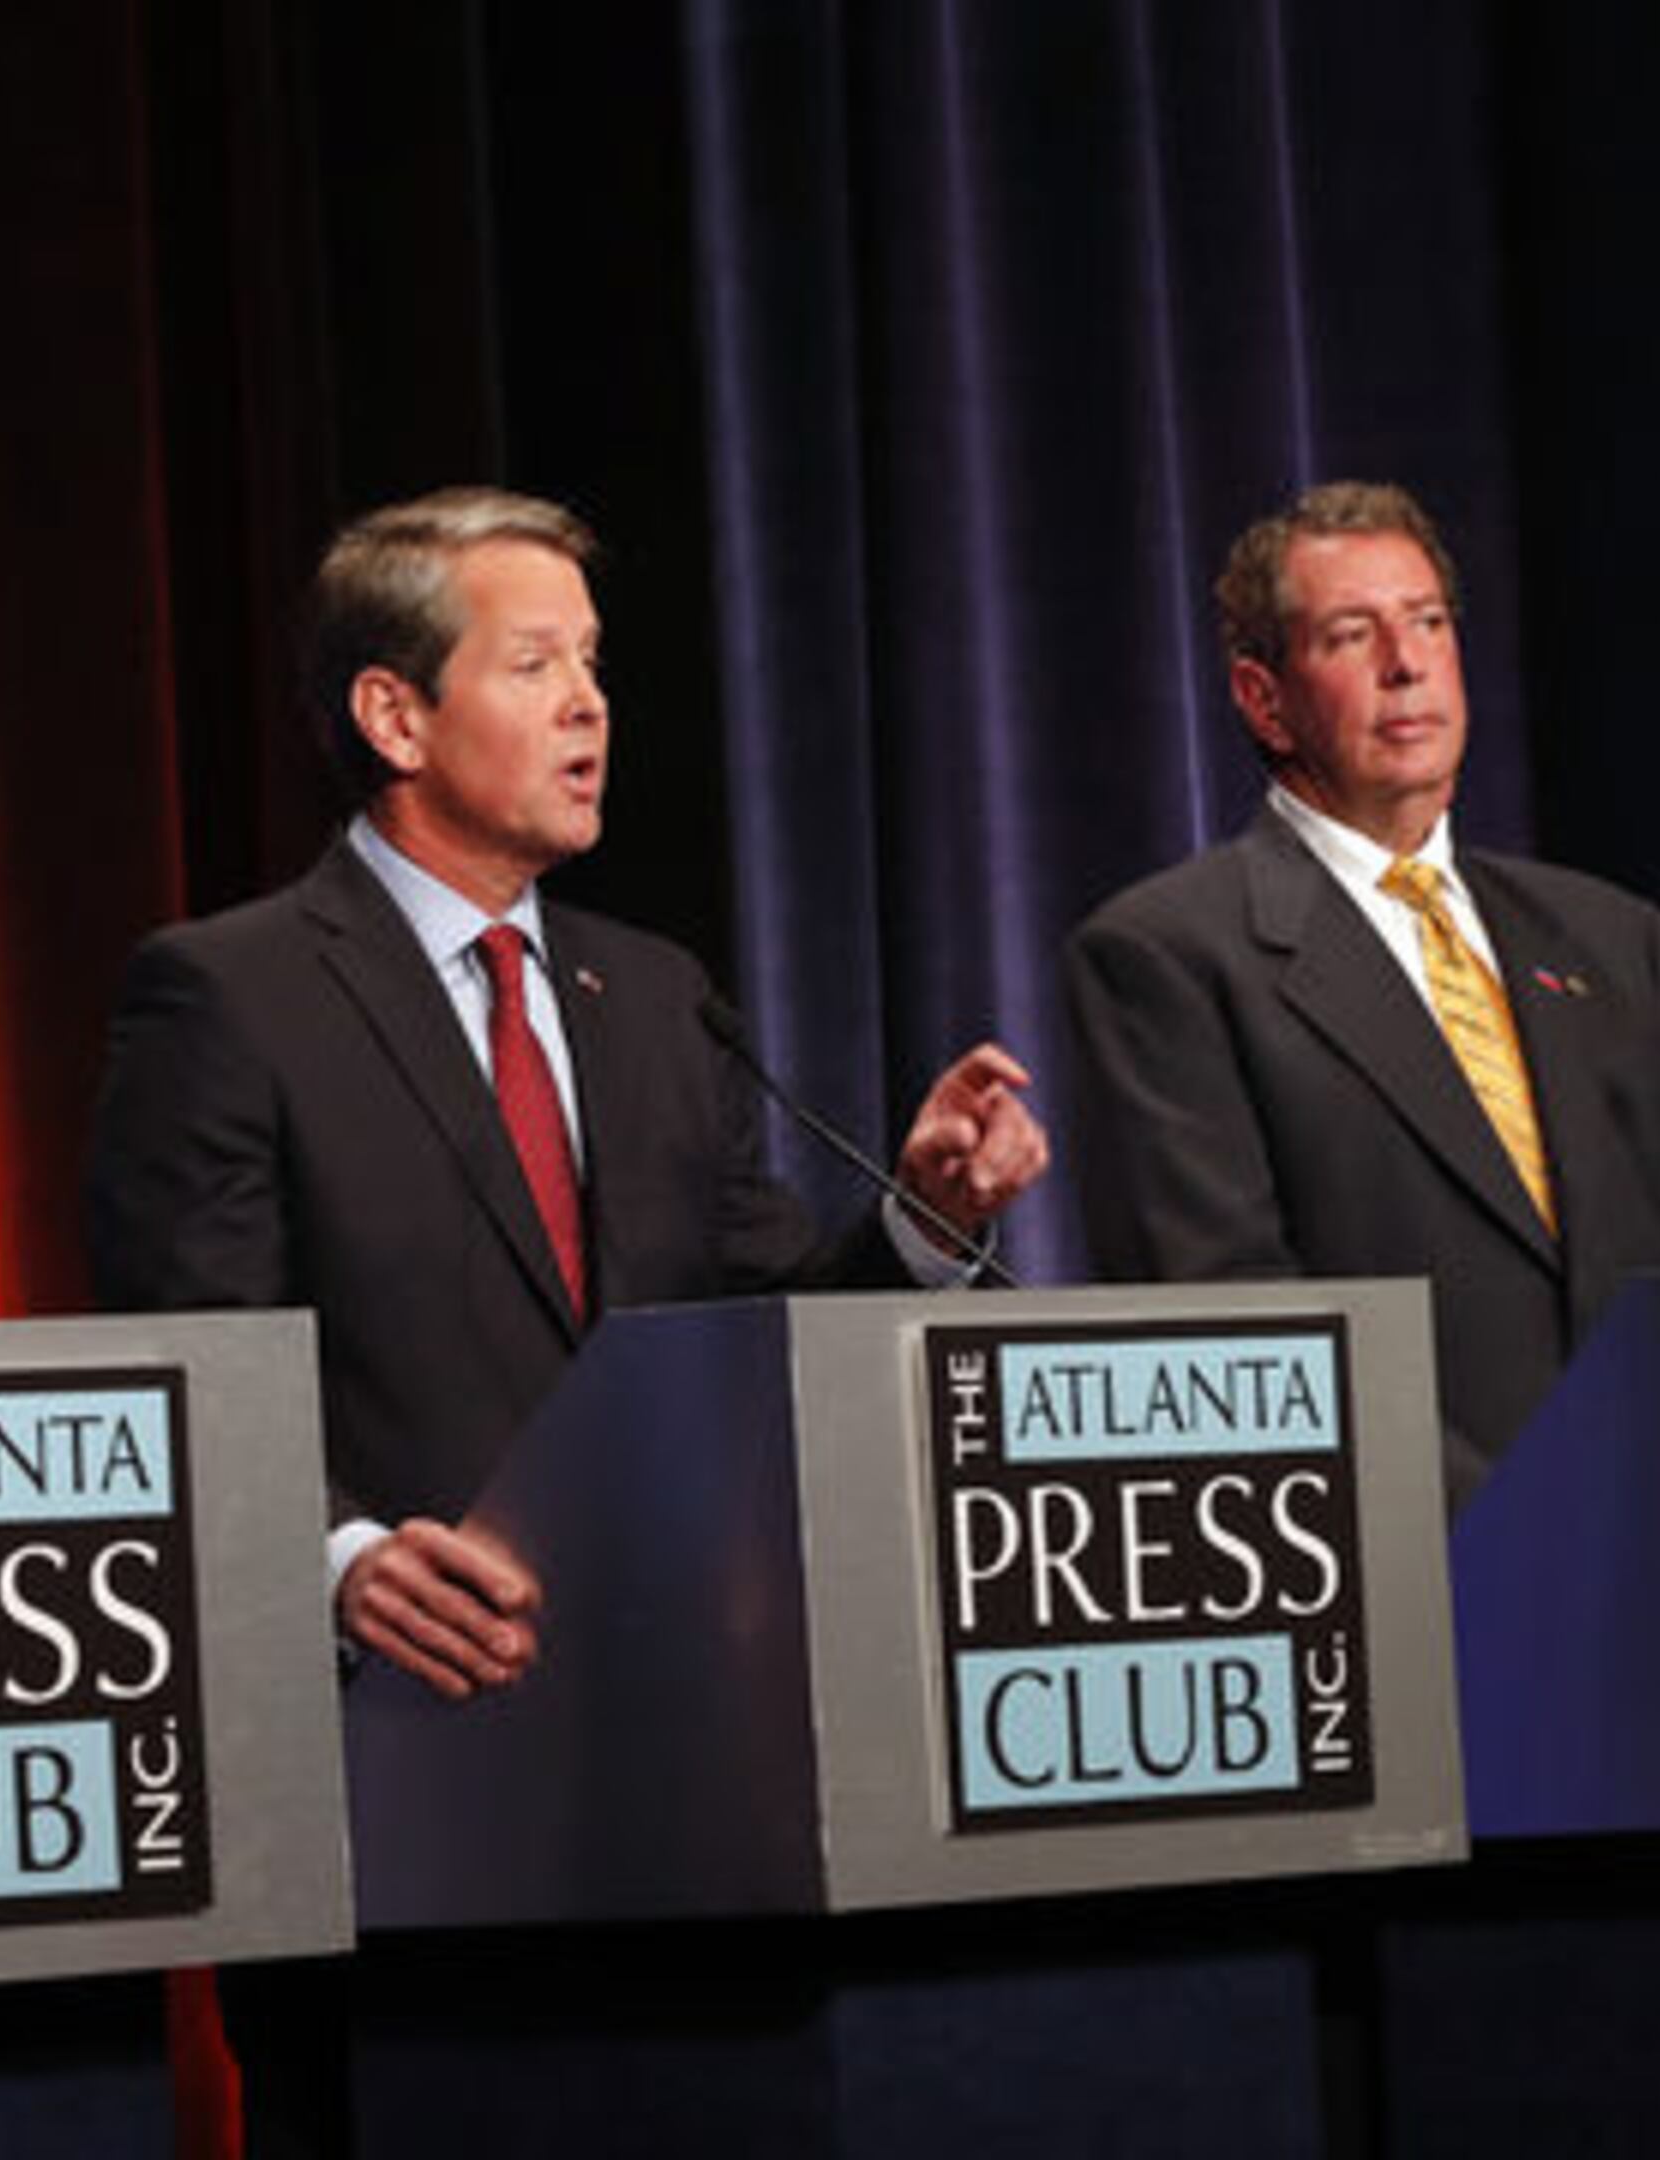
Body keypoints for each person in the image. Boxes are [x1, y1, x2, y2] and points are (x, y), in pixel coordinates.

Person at [84, 483, 1048, 1700]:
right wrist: (339, 1561)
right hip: (401, 1711)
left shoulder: (652, 996)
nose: (589, 702)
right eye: (535, 664)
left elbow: (764, 1335)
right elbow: (188, 1372)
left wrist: (925, 1222)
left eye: (591, 661)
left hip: (682, 1685)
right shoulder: (231, 995)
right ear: (395, 716)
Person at [1060, 479, 1660, 1508]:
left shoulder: (1613, 938)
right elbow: (1234, 1332)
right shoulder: (1167, 958)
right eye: (1354, 636)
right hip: (1403, 1583)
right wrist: (1520, 1533)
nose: (1408, 665)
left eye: (1429, 623)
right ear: (1262, 697)